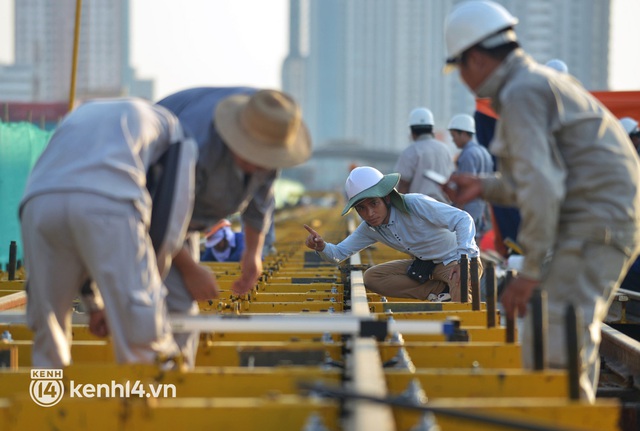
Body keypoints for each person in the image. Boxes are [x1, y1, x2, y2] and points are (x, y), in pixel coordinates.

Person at [443, 0, 640, 402]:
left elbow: (543, 189)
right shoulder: (531, 85)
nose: (462, 78)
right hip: (597, 216)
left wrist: (530, 271)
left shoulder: (522, 93)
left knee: (558, 338)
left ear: (476, 59)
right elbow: (541, 177)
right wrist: (484, 187)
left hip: (595, 222)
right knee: (546, 332)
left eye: (459, 68)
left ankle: (570, 416)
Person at [19, 98, 200, 368]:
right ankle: (151, 403)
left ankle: (48, 402)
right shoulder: (176, 132)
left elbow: (77, 233)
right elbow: (171, 224)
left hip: (38, 202)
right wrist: (145, 287)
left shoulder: (82, 115)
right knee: (143, 335)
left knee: (48, 327)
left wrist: (95, 305)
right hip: (108, 201)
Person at [157, 87, 311, 366]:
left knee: (182, 308)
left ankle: (174, 380)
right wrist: (191, 268)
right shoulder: (194, 144)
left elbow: (260, 203)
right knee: (147, 304)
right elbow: (156, 215)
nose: (255, 165)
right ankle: (149, 387)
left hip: (182, 222)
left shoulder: (271, 132)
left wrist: (252, 255)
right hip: (137, 211)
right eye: (250, 154)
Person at [304, 166, 480, 302]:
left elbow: (463, 219)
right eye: (362, 208)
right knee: (372, 277)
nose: (369, 214)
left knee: (460, 286)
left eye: (374, 204)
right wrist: (322, 246)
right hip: (426, 267)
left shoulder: (414, 204)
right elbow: (338, 254)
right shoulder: (370, 228)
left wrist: (464, 257)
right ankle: (439, 292)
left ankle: (469, 330)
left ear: (387, 198)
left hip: (456, 260)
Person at [447, 113, 494, 242]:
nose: (453, 140)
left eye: (454, 136)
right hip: (482, 211)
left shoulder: (467, 154)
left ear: (463, 133)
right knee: (475, 253)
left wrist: (455, 214)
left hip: (469, 212)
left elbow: (466, 188)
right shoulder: (484, 152)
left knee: (464, 254)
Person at [394, 107, 455, 203]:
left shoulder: (410, 151)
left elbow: (403, 184)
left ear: (412, 131)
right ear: (432, 129)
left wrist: (400, 209)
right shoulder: (445, 150)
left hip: (418, 208)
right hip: (444, 208)